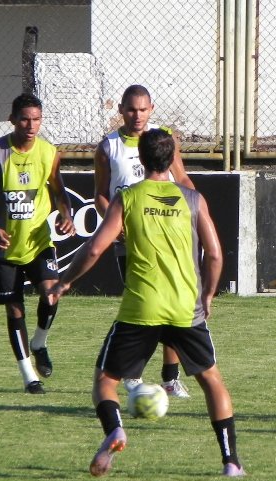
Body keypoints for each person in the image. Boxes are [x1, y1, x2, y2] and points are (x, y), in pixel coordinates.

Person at [48, 128, 244, 477]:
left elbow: (95, 247)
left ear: (141, 159)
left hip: (141, 307)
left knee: (105, 383)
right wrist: (209, 294)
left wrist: (65, 281)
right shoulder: (192, 199)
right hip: (186, 306)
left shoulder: (128, 197)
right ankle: (231, 462)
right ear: (171, 160)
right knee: (211, 379)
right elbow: (214, 254)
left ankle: (115, 430)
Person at [0, 93, 76, 394]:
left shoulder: (48, 152)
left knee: (51, 294)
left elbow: (59, 191)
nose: (31, 125)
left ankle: (39, 343)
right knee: (14, 310)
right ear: (13, 119)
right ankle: (29, 375)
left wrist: (65, 214)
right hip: (3, 247)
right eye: (25, 119)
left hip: (39, 240)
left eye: (36, 119)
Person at [94, 84, 194, 398]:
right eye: (131, 109)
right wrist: (115, 221)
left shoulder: (164, 140)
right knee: (144, 304)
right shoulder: (108, 146)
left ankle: (169, 377)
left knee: (171, 302)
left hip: (166, 233)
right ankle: (132, 374)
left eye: (143, 109)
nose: (137, 116)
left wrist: (193, 213)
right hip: (131, 240)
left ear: (151, 109)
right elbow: (100, 193)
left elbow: (183, 179)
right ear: (121, 110)